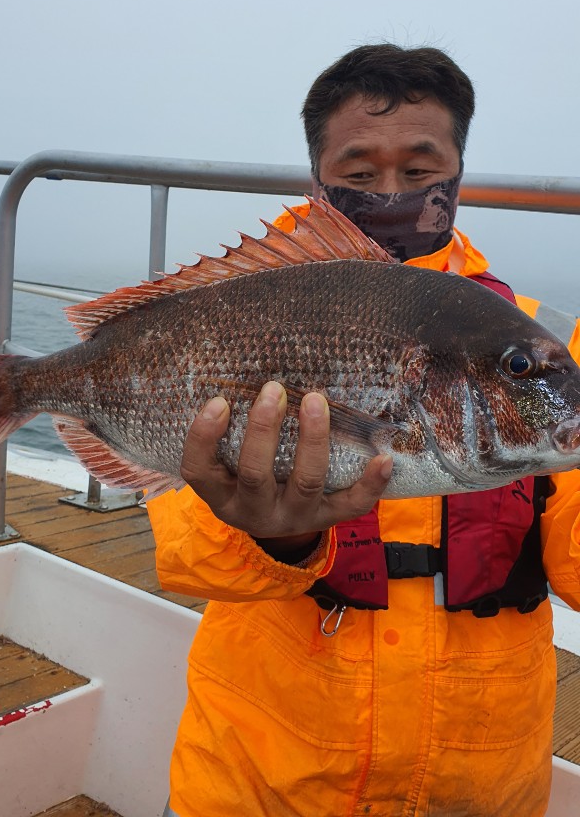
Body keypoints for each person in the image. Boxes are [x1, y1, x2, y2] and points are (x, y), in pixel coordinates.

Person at [147, 44, 580, 817]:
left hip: (481, 780)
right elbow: (184, 560)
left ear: (456, 172)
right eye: (358, 173)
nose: (391, 192)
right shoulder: (240, 306)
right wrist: (277, 540)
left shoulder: (537, 352)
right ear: (317, 176)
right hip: (262, 775)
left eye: (419, 172)